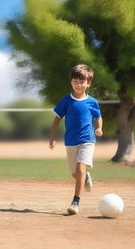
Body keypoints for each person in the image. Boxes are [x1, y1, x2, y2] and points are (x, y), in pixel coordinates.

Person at [49, 64, 103, 215]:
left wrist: (99, 128)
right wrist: (52, 139)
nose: (78, 85)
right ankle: (85, 177)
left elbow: (98, 118)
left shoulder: (92, 102)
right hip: (71, 141)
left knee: (80, 167)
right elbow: (56, 120)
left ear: (88, 83)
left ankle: (75, 202)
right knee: (75, 173)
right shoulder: (66, 101)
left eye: (82, 82)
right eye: (75, 81)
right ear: (71, 82)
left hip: (87, 139)